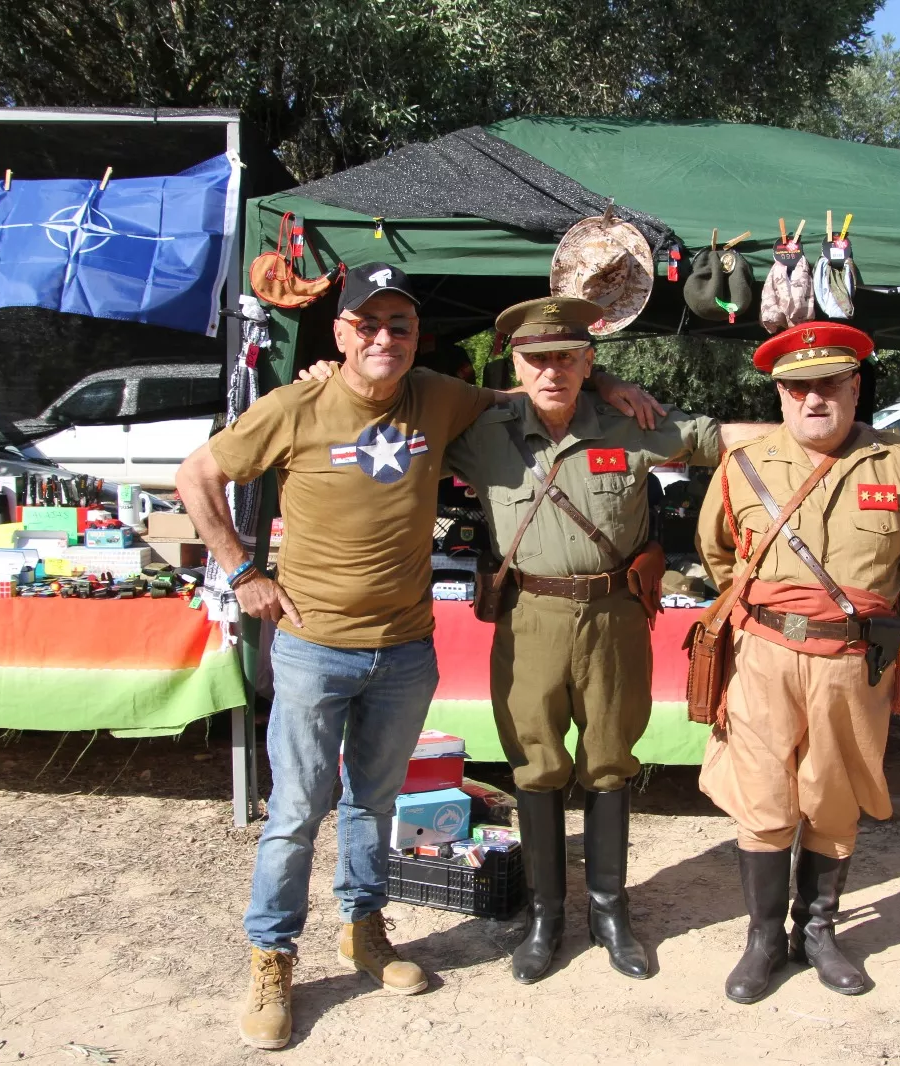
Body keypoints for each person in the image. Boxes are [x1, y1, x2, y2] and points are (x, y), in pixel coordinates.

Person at [175, 263, 661, 1051]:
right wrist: (241, 571)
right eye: (367, 324)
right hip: (314, 647)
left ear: (414, 338)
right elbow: (196, 474)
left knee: (373, 803)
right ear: (341, 333)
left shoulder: (438, 396)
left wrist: (606, 384)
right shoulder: (295, 405)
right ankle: (273, 958)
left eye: (398, 326)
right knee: (296, 812)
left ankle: (364, 931)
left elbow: (533, 389)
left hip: (403, 648)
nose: (384, 338)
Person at [441, 296, 769, 985]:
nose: (552, 371)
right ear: (516, 365)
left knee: (611, 761)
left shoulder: (629, 422)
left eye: (567, 357)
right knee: (535, 766)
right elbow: (397, 413)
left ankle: (610, 912)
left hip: (615, 616)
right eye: (537, 359)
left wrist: (815, 430)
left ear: (589, 362)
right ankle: (545, 917)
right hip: (528, 617)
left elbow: (717, 439)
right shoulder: (480, 430)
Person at [694, 322, 900, 1004]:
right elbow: (718, 552)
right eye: (798, 387)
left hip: (852, 660)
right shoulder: (744, 464)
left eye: (830, 384)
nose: (815, 399)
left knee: (833, 798)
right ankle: (763, 940)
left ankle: (817, 932)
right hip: (764, 657)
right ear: (780, 395)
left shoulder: (896, 464)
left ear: (854, 387)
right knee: (763, 797)